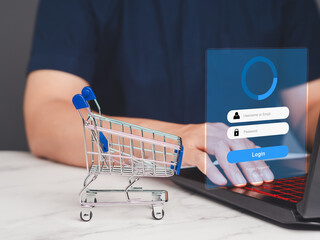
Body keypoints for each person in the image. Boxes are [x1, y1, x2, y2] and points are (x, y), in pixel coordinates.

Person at [24, 0, 320, 187]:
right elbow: (47, 116)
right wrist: (175, 141)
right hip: (135, 189)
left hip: (260, 188)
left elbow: (309, 104)